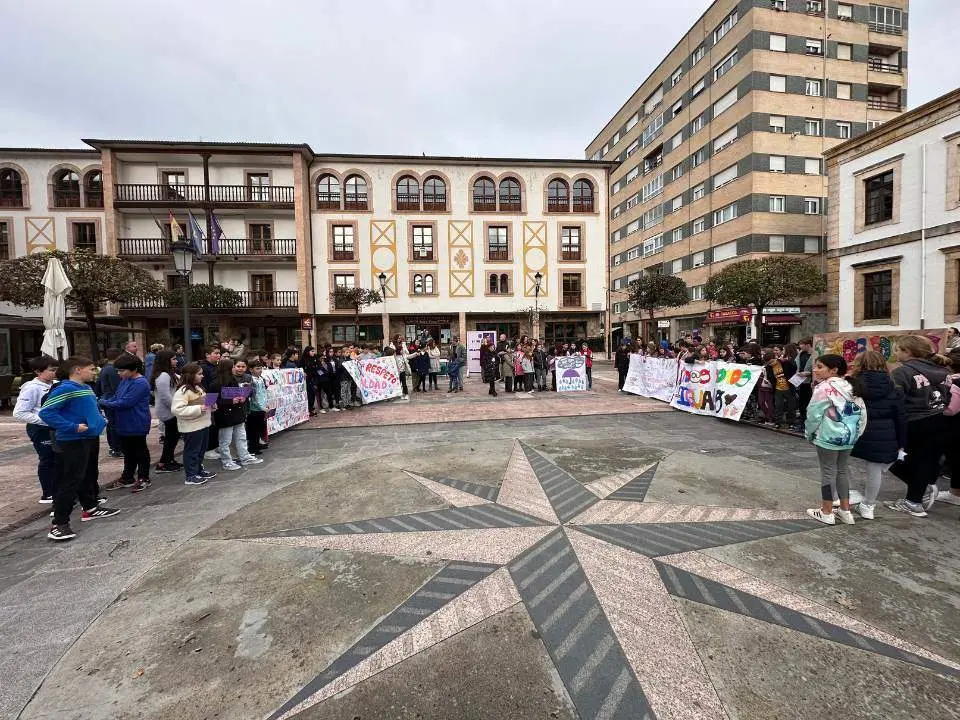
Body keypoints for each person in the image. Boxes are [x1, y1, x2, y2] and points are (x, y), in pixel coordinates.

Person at [39, 357, 120, 541]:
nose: (94, 372)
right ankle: (59, 524)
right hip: (73, 440)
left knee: (87, 475)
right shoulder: (66, 388)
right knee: (70, 481)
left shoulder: (85, 388)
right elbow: (46, 412)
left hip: (89, 437)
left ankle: (90, 506)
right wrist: (72, 427)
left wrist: (99, 421)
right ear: (77, 370)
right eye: (91, 368)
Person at [886, 335, 951, 517]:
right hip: (939, 419)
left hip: (914, 421)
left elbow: (895, 401)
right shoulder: (943, 371)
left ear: (907, 352)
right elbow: (948, 396)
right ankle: (915, 497)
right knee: (924, 461)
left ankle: (916, 495)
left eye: (898, 350)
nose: (896, 353)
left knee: (888, 456)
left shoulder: (902, 372)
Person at [804, 354, 866, 525]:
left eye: (819, 367)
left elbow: (813, 414)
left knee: (828, 473)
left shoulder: (823, 388)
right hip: (849, 437)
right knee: (842, 471)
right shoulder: (852, 385)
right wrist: (857, 433)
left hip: (828, 437)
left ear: (833, 370)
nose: (815, 370)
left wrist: (809, 433)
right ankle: (845, 511)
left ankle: (827, 511)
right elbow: (863, 413)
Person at [847, 351, 906, 520]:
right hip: (885, 432)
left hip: (857, 429)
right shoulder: (894, 386)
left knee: (840, 461)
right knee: (875, 471)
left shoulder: (852, 384)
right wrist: (901, 442)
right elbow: (900, 417)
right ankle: (868, 506)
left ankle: (851, 492)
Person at [99, 354, 153, 493]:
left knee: (140, 451)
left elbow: (126, 402)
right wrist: (107, 401)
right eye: (118, 370)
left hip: (136, 421)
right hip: (123, 422)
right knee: (128, 452)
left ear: (134, 369)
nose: (119, 373)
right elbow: (117, 397)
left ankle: (144, 477)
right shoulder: (125, 380)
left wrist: (104, 403)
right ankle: (127, 477)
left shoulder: (140, 383)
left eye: (122, 370)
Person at [13, 355, 60, 503]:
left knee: (58, 459)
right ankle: (48, 493)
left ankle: (58, 489)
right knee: (47, 459)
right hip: (40, 428)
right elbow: (20, 413)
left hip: (56, 427)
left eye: (56, 370)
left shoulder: (57, 384)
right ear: (38, 371)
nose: (55, 373)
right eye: (51, 370)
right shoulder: (31, 388)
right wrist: (44, 420)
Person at [210, 358, 263, 470]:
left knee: (241, 437)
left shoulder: (233, 380)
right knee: (226, 440)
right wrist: (229, 401)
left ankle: (244, 456)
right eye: (233, 366)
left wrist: (243, 396)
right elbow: (210, 402)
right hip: (224, 416)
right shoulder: (215, 383)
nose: (235, 368)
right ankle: (227, 461)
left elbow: (241, 392)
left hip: (238, 413)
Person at [170, 362, 216, 485]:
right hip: (192, 427)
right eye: (199, 374)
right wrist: (199, 408)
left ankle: (199, 470)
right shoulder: (183, 391)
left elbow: (203, 402)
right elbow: (177, 409)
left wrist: (211, 405)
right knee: (192, 451)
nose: (202, 376)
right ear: (191, 375)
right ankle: (191, 475)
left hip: (203, 424)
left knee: (201, 449)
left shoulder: (198, 387)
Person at [152, 349, 183, 475]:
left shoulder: (169, 374)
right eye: (173, 359)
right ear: (167, 360)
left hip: (170, 410)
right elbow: (165, 396)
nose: (176, 361)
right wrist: (177, 407)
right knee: (171, 438)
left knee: (173, 437)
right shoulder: (163, 375)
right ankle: (164, 462)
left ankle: (168, 460)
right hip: (168, 411)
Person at [936, 348, 960, 506]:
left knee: (956, 458)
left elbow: (951, 409)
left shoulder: (955, 382)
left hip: (955, 426)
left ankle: (956, 493)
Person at [96, 348, 124, 457]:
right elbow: (116, 387)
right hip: (112, 400)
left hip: (106, 398)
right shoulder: (113, 370)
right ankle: (117, 448)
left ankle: (113, 447)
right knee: (115, 425)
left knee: (111, 425)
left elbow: (99, 384)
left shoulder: (104, 368)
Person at [763, 350, 797, 429]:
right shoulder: (768, 367)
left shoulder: (784, 363)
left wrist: (788, 361)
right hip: (778, 388)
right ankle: (778, 422)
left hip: (789, 387)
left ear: (775, 357)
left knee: (791, 407)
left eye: (771, 362)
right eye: (769, 363)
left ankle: (791, 423)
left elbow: (794, 369)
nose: (771, 364)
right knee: (778, 406)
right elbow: (770, 377)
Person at [245, 361, 268, 455]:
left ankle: (257, 443)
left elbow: (263, 392)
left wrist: (265, 404)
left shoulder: (261, 379)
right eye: (257, 368)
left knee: (259, 427)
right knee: (253, 429)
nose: (260, 370)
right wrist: (261, 406)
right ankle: (252, 447)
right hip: (254, 408)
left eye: (260, 368)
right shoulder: (251, 380)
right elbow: (254, 396)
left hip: (262, 406)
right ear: (251, 369)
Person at [796, 338, 815, 427]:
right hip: (800, 381)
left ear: (808, 345)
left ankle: (809, 422)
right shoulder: (800, 354)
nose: (800, 346)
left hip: (810, 382)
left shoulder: (815, 355)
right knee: (802, 403)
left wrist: (809, 373)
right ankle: (803, 421)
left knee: (809, 402)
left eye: (801, 344)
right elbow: (796, 365)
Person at [300, 346, 320, 415]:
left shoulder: (315, 358)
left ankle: (311, 408)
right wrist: (303, 372)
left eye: (313, 351)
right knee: (308, 394)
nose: (313, 353)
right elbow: (301, 367)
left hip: (314, 378)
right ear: (307, 352)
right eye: (312, 351)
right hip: (307, 379)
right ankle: (308, 409)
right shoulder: (303, 359)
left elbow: (319, 366)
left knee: (313, 393)